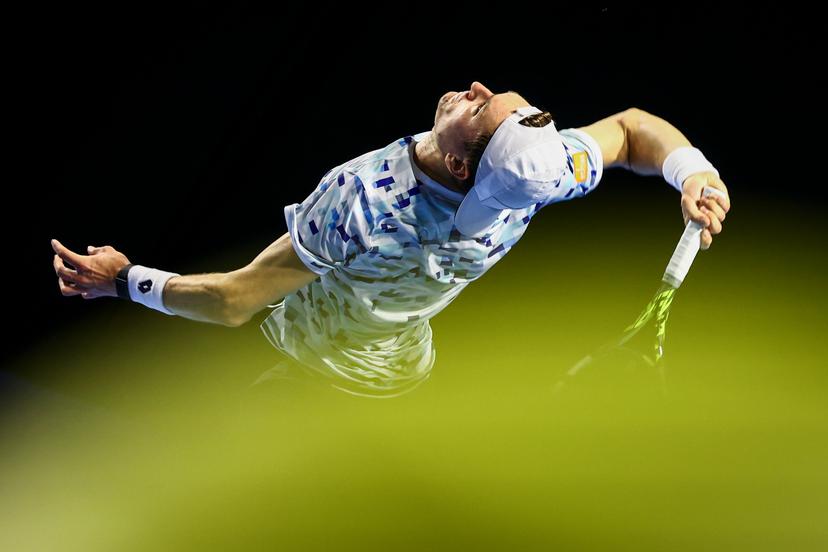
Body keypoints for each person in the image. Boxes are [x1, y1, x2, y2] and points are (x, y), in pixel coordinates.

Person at [50, 81, 731, 399]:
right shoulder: (539, 181)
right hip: (405, 377)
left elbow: (233, 302)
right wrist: (693, 172)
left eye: (478, 110)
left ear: (462, 168)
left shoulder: (364, 202)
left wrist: (122, 279)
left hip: (310, 377)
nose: (474, 88)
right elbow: (636, 130)